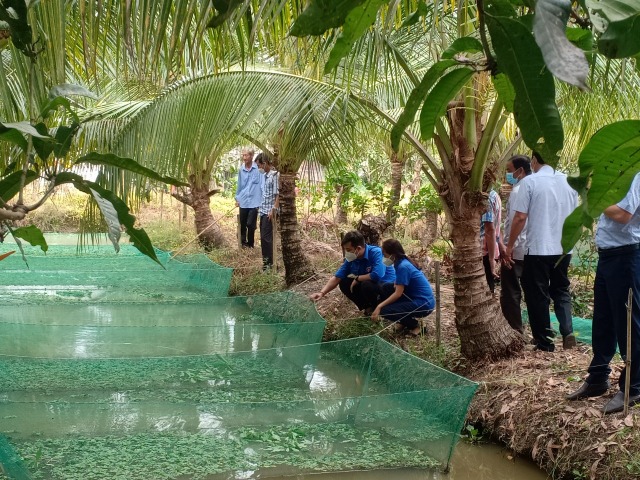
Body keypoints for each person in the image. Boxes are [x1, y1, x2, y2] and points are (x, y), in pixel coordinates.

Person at [567, 173, 640, 413]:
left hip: (627, 254)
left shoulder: (636, 174)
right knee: (603, 320)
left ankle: (634, 386)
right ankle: (598, 376)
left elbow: (623, 214)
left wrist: (592, 195)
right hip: (610, 253)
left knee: (629, 322)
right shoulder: (618, 176)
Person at [505, 151, 579, 351]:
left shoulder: (531, 182)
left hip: (538, 247)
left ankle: (544, 341)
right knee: (561, 289)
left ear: (535, 161)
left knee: (538, 294)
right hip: (564, 247)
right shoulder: (569, 181)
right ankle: (567, 330)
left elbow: (520, 218)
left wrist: (510, 246)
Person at [309, 230, 395, 313]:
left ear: (358, 248)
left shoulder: (376, 253)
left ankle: (379, 308)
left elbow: (377, 275)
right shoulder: (352, 258)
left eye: (348, 250)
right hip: (370, 285)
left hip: (387, 287)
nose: (347, 253)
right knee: (344, 282)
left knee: (366, 284)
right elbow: (337, 277)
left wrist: (358, 278)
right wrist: (322, 293)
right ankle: (368, 307)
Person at [372, 239, 435, 336]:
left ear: (393, 254)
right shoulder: (401, 262)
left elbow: (398, 294)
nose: (384, 258)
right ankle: (402, 320)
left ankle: (416, 326)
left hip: (424, 304)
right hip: (417, 298)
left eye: (385, 255)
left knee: (385, 311)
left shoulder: (403, 267)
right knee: (386, 287)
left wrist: (379, 306)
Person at [498, 155, 533, 333]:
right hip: (533, 249)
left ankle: (514, 330)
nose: (508, 175)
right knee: (533, 291)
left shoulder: (519, 190)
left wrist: (507, 247)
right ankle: (539, 333)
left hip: (517, 248)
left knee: (511, 291)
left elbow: (516, 221)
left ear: (520, 171)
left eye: (510, 170)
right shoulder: (535, 187)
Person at [235, 148, 262, 248]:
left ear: (251, 156)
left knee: (251, 224)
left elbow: (262, 185)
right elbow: (239, 185)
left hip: (255, 202)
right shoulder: (241, 170)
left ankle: (251, 244)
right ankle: (243, 243)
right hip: (243, 201)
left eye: (246, 155)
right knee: (242, 223)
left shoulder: (258, 169)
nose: (244, 157)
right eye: (243, 155)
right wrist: (237, 199)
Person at [256, 153, 279, 270]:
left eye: (259, 165)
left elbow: (277, 195)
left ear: (264, 163)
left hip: (269, 212)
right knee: (263, 239)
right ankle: (265, 263)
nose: (259, 168)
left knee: (267, 238)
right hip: (263, 211)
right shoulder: (265, 176)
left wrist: (273, 209)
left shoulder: (275, 175)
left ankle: (269, 265)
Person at [481, 189, 502, 293]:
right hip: (491, 248)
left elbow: (489, 228)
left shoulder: (486, 197)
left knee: (484, 291)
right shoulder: (495, 195)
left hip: (484, 251)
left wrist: (491, 259)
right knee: (489, 289)